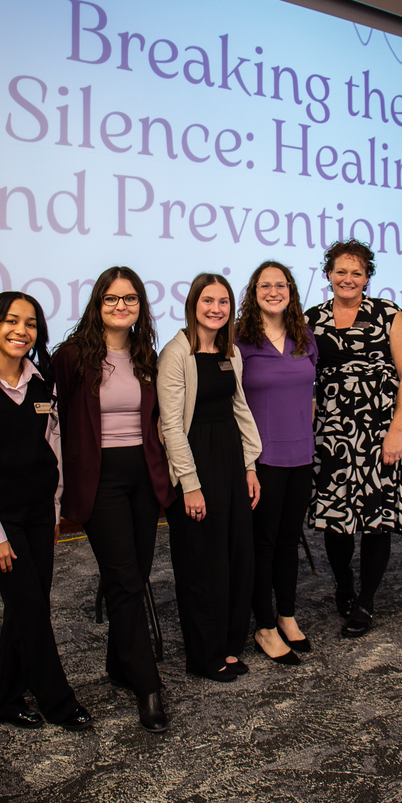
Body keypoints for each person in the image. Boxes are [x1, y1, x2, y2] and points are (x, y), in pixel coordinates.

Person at [0, 292, 92, 730]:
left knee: (27, 607)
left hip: (40, 512)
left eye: (30, 323)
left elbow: (53, 449)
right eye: (11, 320)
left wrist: (55, 508)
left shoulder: (43, 383)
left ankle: (3, 699)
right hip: (0, 518)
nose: (21, 330)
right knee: (30, 607)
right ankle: (59, 701)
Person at [51, 267, 175, 733]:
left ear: (140, 306)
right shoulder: (71, 357)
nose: (120, 306)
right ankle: (148, 685)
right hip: (98, 479)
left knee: (135, 574)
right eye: (111, 298)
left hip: (144, 474)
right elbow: (58, 422)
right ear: (97, 304)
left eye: (130, 298)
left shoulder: (147, 356)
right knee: (123, 578)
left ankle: (119, 664)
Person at [306, 240, 402, 637]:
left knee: (376, 520)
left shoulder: (387, 314)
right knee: (335, 521)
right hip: (331, 434)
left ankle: (366, 601)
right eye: (341, 271)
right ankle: (344, 585)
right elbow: (302, 377)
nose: (348, 278)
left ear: (367, 277)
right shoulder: (311, 320)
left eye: (356, 272)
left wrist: (396, 431)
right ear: (329, 275)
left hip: (379, 433)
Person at [157, 273, 262, 682]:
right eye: (208, 300)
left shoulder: (229, 351)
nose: (216, 309)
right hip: (195, 462)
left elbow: (240, 408)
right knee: (202, 564)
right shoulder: (175, 353)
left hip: (231, 459)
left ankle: (229, 645)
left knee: (237, 558)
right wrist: (190, 485)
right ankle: (204, 655)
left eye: (223, 302)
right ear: (193, 305)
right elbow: (170, 426)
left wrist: (250, 465)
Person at [236, 261, 317, 664]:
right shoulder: (239, 340)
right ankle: (264, 627)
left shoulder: (305, 336)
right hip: (262, 460)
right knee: (263, 545)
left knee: (289, 542)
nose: (273, 291)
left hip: (301, 457)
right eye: (265, 285)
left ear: (290, 291)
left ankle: (287, 615)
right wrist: (245, 463)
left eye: (280, 285)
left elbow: (310, 395)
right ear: (254, 293)